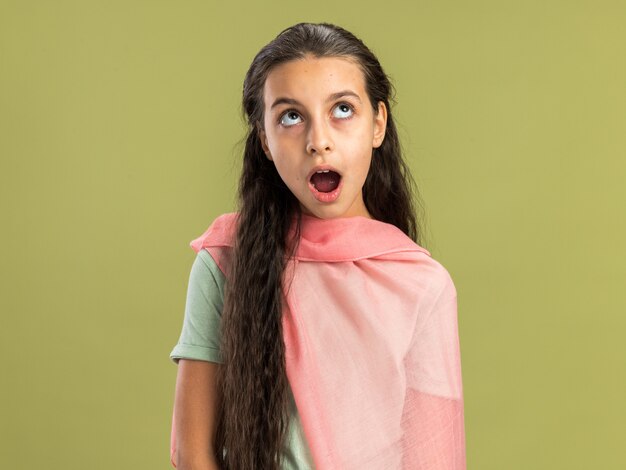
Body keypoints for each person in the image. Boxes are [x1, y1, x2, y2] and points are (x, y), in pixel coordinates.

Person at [169, 22, 466, 470]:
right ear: (265, 141)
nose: (318, 141)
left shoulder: (423, 285)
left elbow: (431, 456)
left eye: (342, 109)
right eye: (291, 116)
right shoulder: (227, 260)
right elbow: (191, 453)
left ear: (378, 124)